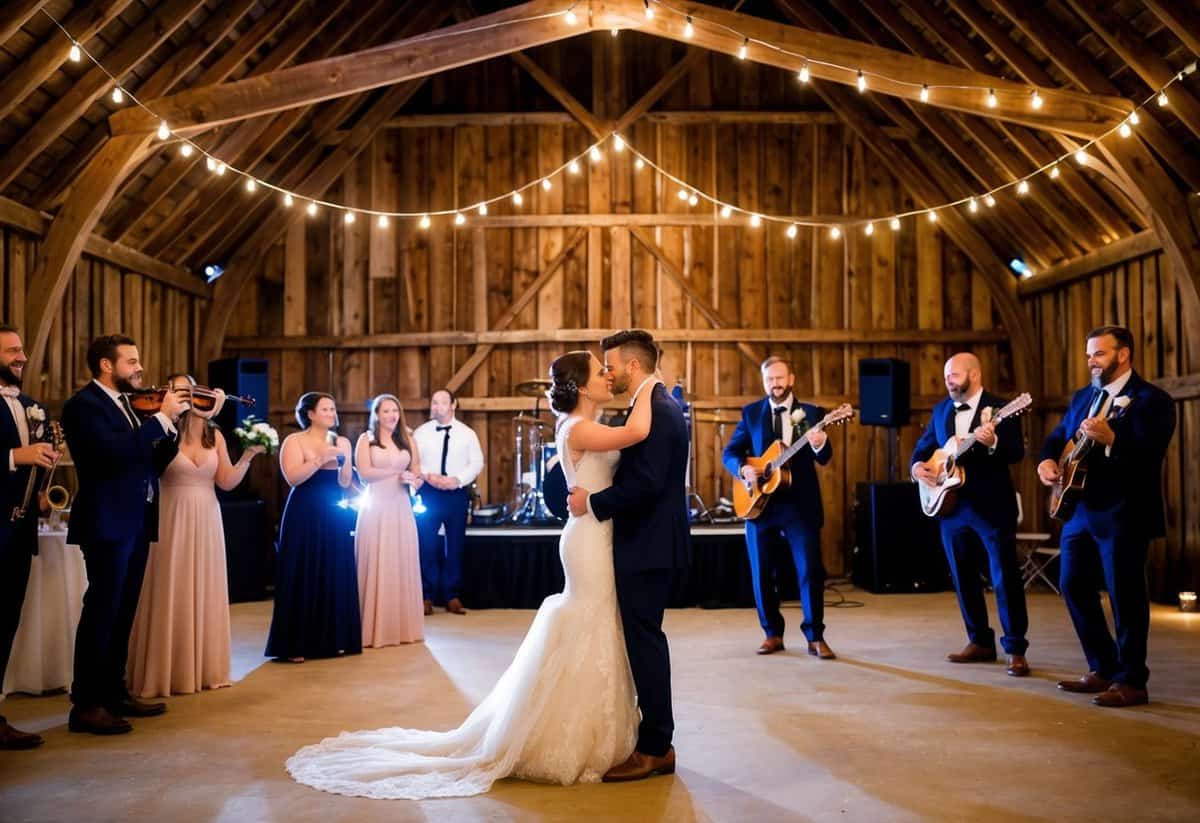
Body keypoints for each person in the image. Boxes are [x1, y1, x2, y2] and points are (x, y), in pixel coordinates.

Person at [287, 351, 656, 798]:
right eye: (601, 372)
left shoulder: (583, 424)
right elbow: (637, 432)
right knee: (590, 619)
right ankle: (561, 732)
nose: (608, 375)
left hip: (595, 532)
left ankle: (597, 726)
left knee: (595, 622)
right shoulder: (577, 427)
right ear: (581, 387)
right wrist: (650, 383)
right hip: (587, 540)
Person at [568, 329, 691, 782]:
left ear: (633, 367)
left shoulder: (657, 409)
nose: (609, 373)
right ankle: (655, 738)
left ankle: (656, 746)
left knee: (646, 643)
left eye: (612, 365)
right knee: (644, 639)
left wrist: (593, 503)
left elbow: (648, 484)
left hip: (648, 545)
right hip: (648, 542)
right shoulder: (655, 404)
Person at [1037, 325, 1175, 708]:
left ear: (1123, 354)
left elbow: (1152, 452)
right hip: (1078, 508)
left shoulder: (1152, 400)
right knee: (1072, 584)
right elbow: (1057, 436)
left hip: (1124, 511)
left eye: (1098, 354)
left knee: (1126, 595)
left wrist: (1113, 439)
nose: (1091, 362)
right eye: (1088, 355)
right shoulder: (1084, 397)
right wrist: (1048, 462)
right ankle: (1103, 666)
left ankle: (1132, 681)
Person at [62, 334, 188, 735]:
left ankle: (114, 691)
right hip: (106, 519)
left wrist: (172, 428)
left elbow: (151, 459)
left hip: (137, 518)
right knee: (102, 608)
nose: (139, 368)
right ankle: (86, 703)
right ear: (106, 365)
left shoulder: (129, 406)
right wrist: (161, 420)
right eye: (131, 361)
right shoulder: (84, 407)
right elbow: (111, 454)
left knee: (124, 610)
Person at [127, 374, 264, 697]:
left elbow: (227, 481)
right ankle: (164, 672)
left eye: (190, 389)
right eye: (177, 390)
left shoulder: (213, 434)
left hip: (206, 516)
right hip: (170, 515)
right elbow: (148, 469)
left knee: (202, 587)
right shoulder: (162, 431)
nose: (186, 396)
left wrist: (248, 456)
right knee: (169, 586)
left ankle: (202, 669)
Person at [911, 353, 1030, 677]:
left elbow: (1017, 452)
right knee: (962, 577)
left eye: (954, 374)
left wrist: (992, 445)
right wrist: (917, 466)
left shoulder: (1002, 408)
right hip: (950, 506)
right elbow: (924, 448)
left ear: (975, 375)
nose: (948, 380)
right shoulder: (941, 410)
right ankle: (979, 641)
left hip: (991, 506)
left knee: (1004, 576)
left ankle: (1015, 648)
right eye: (946, 374)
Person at [722, 356, 837, 660]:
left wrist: (819, 442)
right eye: (770, 380)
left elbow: (824, 457)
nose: (775, 384)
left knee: (809, 571)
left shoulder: (811, 413)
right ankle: (772, 633)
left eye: (780, 378)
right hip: (760, 504)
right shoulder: (752, 413)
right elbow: (730, 452)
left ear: (792, 379)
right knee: (761, 573)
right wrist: (743, 469)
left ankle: (815, 636)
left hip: (800, 506)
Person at [265, 393, 360, 663]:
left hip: (334, 508)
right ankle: (296, 643)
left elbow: (344, 483)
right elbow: (293, 477)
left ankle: (334, 639)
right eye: (326, 408)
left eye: (333, 408)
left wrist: (344, 461)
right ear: (310, 414)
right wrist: (320, 458)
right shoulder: (294, 441)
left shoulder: (341, 441)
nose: (332, 412)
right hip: (304, 509)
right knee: (302, 569)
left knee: (334, 568)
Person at [0, 325, 60, 749]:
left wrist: (40, 491)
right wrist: (13, 456)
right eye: (12, 350)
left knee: (6, 623)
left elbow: (31, 467)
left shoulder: (31, 406)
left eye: (22, 349)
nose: (21, 357)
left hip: (20, 533)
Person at [354, 394, 424, 647]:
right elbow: (364, 473)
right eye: (386, 411)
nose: (392, 415)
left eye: (395, 410)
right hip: (376, 507)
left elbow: (417, 471)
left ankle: (403, 628)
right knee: (377, 560)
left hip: (401, 506)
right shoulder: (366, 439)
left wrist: (414, 481)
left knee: (399, 561)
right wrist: (396, 473)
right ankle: (372, 629)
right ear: (376, 414)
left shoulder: (407, 439)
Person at [411, 389, 483, 615]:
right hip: (429, 493)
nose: (437, 406)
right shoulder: (421, 433)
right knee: (427, 544)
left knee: (455, 545)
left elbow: (476, 462)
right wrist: (429, 476)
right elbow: (414, 460)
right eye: (434, 402)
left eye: (442, 402)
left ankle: (452, 595)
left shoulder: (467, 433)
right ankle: (426, 596)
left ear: (454, 405)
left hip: (455, 493)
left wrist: (456, 480)